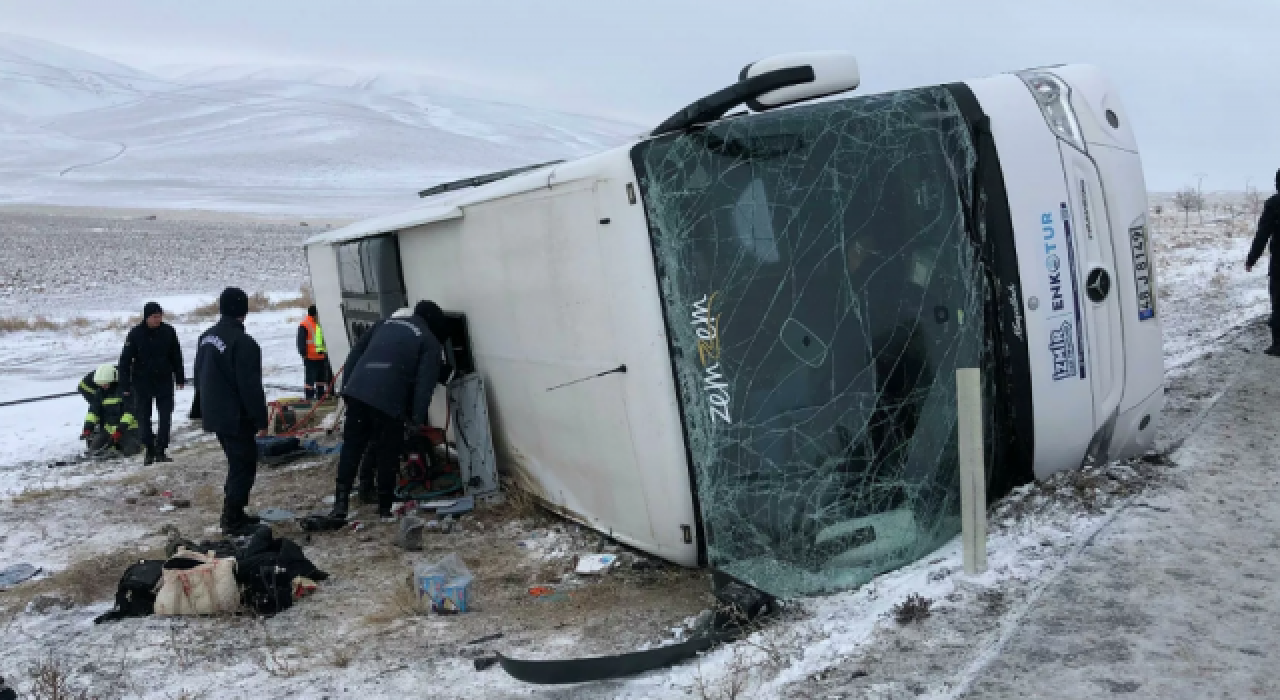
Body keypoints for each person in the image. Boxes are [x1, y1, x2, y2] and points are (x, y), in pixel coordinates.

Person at [327, 300, 448, 522]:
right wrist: (415, 422)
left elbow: (355, 353)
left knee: (353, 447)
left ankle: (341, 502)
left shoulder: (383, 323)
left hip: (358, 392)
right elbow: (424, 386)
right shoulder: (429, 341)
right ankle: (385, 506)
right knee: (387, 451)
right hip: (388, 397)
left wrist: (347, 389)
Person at [193, 287, 269, 535]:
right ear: (243, 311)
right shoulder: (244, 343)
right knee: (243, 465)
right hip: (235, 415)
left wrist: (201, 408)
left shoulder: (206, 337)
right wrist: (261, 419)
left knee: (236, 464)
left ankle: (234, 512)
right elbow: (250, 387)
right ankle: (232, 518)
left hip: (215, 412)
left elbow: (199, 374)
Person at [119, 301, 186, 465]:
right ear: (147, 317)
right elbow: (125, 361)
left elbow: (176, 355)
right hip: (142, 382)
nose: (158, 320)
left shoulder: (168, 331)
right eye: (155, 317)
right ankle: (149, 449)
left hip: (164, 380)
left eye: (160, 316)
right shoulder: (135, 334)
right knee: (143, 417)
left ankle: (161, 450)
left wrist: (180, 377)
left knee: (165, 416)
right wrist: (125, 385)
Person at [1246, 168, 1280, 356]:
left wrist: (1252, 259)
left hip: (1279, 266)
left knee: (1278, 303)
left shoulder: (1274, 204)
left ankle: (1278, 344)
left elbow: (1262, 235)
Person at [77, 363, 142, 456]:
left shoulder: (127, 391)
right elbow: (93, 412)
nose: (103, 386)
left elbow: (129, 414)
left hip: (128, 428)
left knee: (130, 451)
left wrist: (119, 431)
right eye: (101, 384)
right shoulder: (100, 393)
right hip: (109, 429)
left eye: (105, 384)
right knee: (94, 449)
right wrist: (88, 428)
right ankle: (114, 445)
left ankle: (139, 442)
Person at [297, 305, 332, 400]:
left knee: (321, 380)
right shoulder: (304, 324)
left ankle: (321, 397)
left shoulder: (318, 324)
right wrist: (303, 354)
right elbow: (301, 341)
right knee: (310, 380)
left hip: (320, 357)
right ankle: (309, 398)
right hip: (310, 357)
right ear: (315, 314)